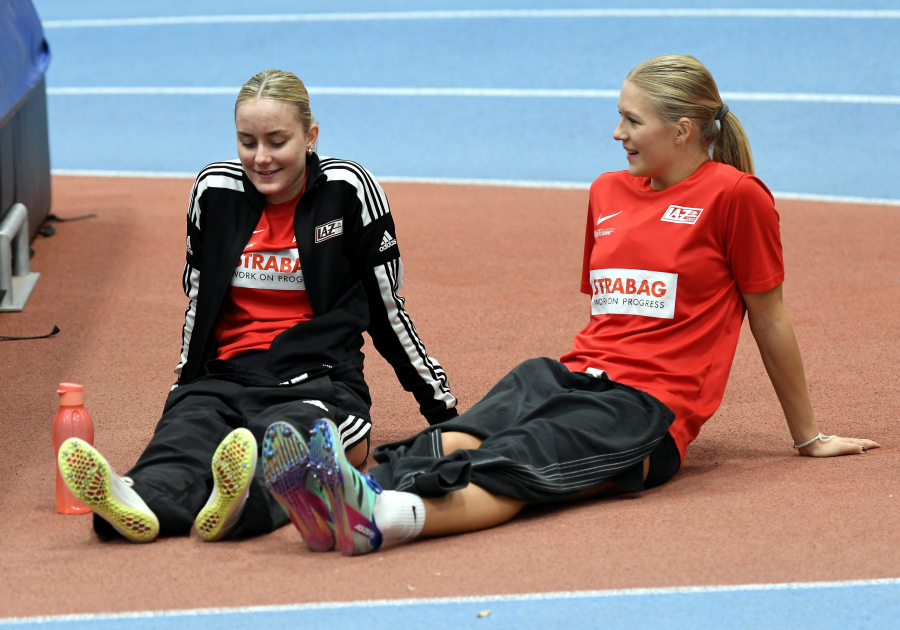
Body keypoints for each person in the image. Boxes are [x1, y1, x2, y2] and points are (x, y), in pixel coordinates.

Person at [257, 55, 880, 557]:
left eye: (632, 120)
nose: (617, 134)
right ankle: (340, 492)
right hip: (567, 376)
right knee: (455, 437)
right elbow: (613, 316)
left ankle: (382, 518)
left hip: (646, 410)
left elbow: (770, 317)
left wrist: (809, 436)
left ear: (682, 129)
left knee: (513, 463)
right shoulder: (607, 191)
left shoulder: (736, 197)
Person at [57, 69, 458, 543]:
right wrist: (183, 392)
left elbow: (388, 313)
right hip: (225, 377)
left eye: (277, 141)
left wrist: (446, 417)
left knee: (281, 445)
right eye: (247, 142)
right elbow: (198, 305)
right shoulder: (214, 191)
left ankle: (240, 503)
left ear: (310, 137)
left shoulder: (347, 189)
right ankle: (138, 500)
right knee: (181, 443)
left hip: (318, 384)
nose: (261, 157)